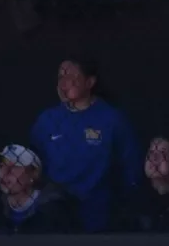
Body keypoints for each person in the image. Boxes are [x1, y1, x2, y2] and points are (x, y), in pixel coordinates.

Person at [28, 58, 138, 233]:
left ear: (89, 82)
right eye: (61, 77)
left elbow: (130, 166)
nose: (64, 82)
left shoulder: (112, 119)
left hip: (101, 215)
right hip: (56, 217)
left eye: (72, 76)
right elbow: (32, 164)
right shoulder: (46, 120)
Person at [0, 144, 78, 234]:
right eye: (1, 166)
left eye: (15, 167)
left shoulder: (54, 211)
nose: (5, 172)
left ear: (34, 173)